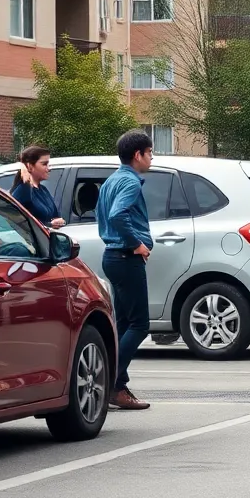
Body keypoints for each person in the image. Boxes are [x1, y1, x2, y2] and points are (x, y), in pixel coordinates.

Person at [97, 129, 156, 411]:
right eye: (150, 152)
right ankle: (108, 381)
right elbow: (117, 215)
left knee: (122, 324)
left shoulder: (111, 180)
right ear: (137, 155)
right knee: (139, 325)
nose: (152, 157)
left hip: (112, 256)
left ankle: (116, 387)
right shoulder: (130, 182)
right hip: (125, 257)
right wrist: (137, 244)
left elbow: (106, 216)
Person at [10, 145, 66, 229]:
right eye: (44, 164)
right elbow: (18, 223)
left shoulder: (43, 190)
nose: (49, 168)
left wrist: (61, 222)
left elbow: (56, 216)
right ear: (30, 166)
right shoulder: (22, 190)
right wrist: (49, 225)